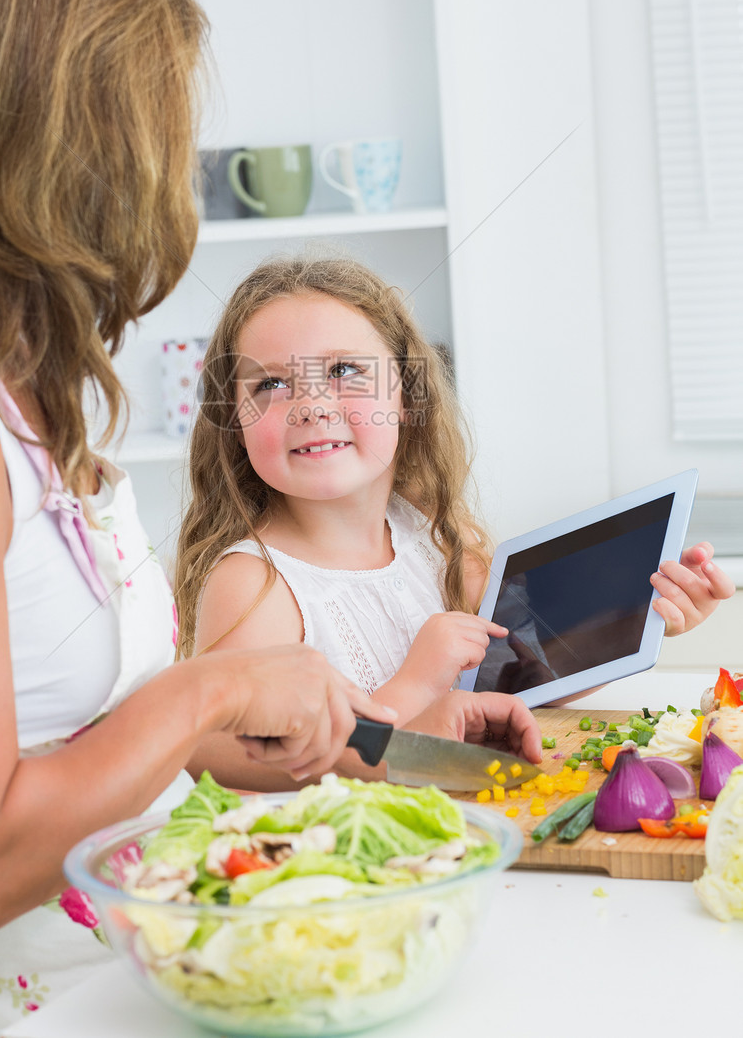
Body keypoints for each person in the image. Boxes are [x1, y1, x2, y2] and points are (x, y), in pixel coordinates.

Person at [0, 0, 399, 1036]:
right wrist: (214, 684)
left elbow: (78, 736)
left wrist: (306, 720)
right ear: (86, 143)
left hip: (127, 983)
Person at [175, 254, 736, 789]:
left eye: (344, 369)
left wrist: (646, 619)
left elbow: (526, 678)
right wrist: (416, 684)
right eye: (270, 384)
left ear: (407, 398)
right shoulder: (255, 583)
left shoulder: (434, 537)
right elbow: (233, 759)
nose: (311, 405)